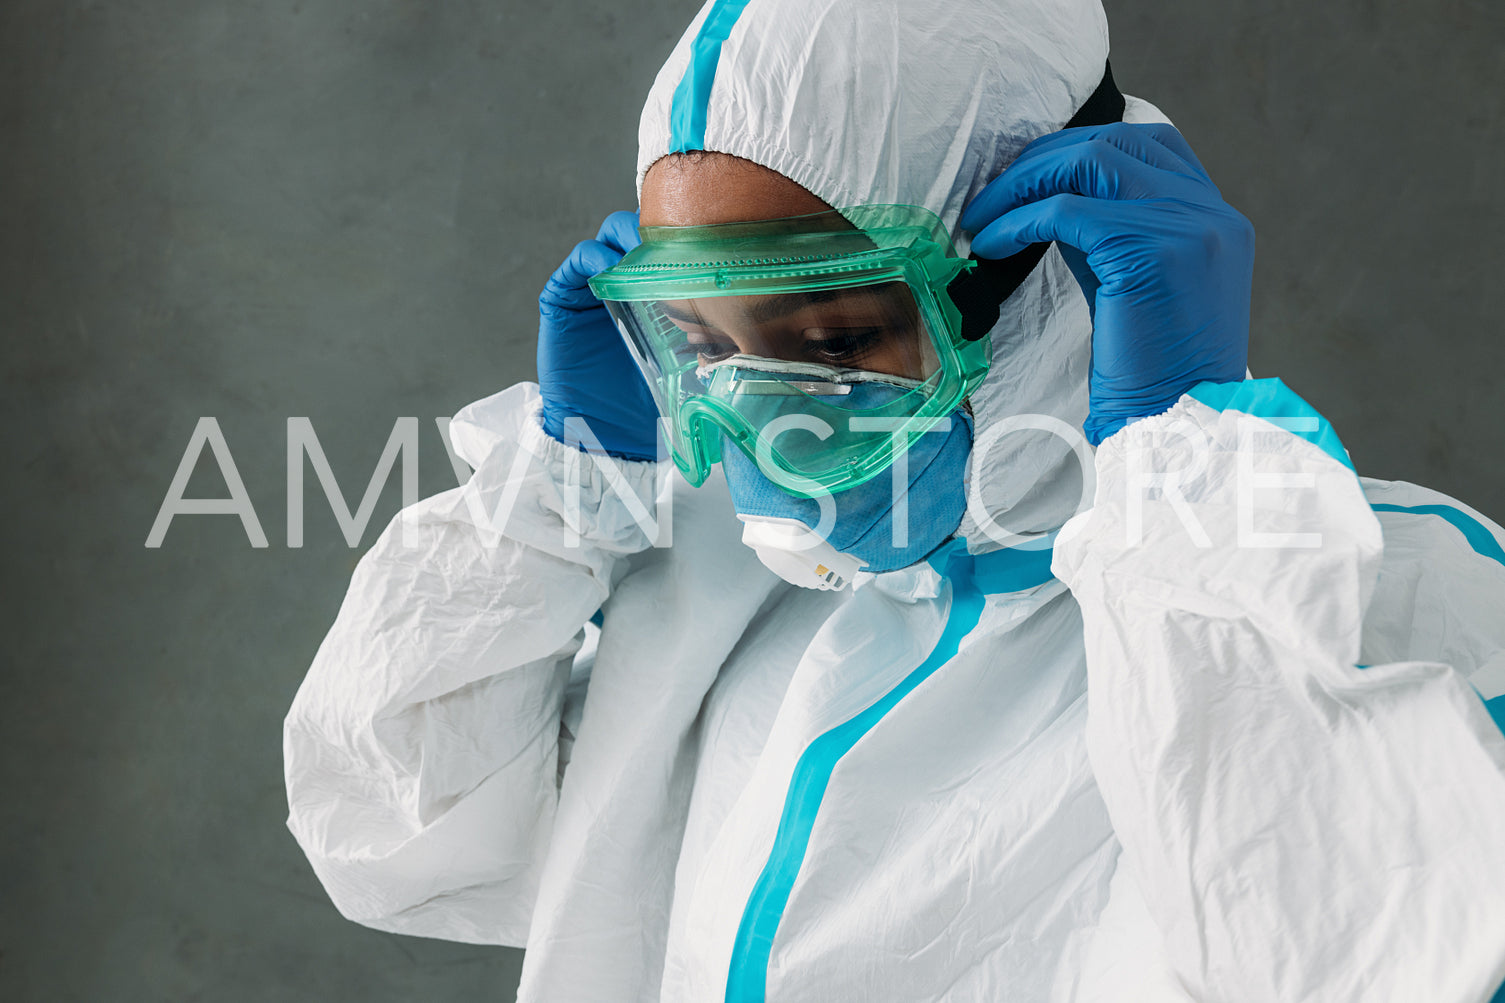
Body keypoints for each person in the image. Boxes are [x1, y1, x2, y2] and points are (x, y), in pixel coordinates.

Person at [283, 0, 1505, 999]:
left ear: (1048, 271)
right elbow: (396, 839)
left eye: (828, 332)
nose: (771, 423)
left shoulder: (1394, 602)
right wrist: (560, 484)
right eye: (702, 340)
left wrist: (1180, 462)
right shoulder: (711, 604)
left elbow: (1349, 953)